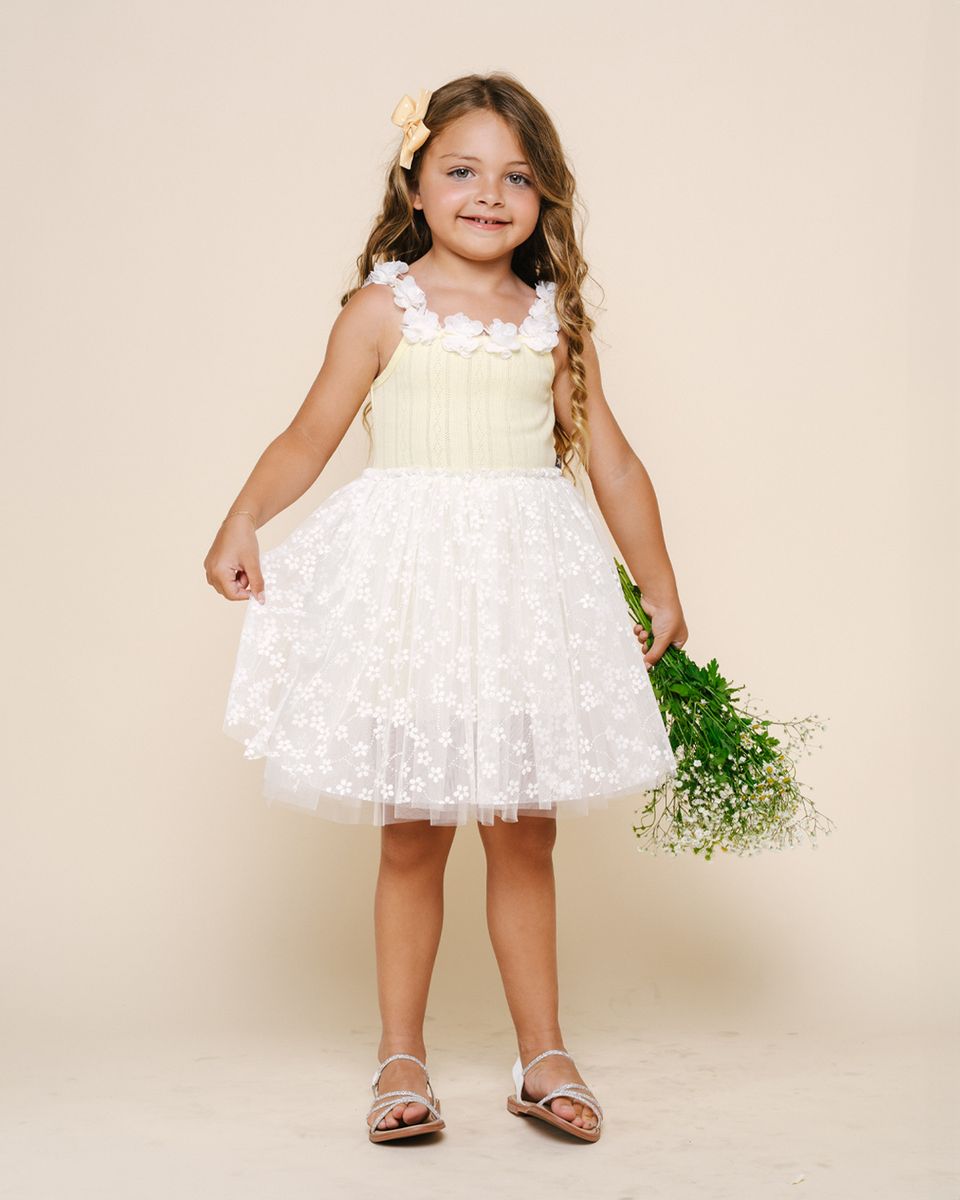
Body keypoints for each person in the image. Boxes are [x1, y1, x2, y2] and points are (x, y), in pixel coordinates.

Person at [204, 72, 688, 1145]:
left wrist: (656, 576)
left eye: (515, 176)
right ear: (415, 185)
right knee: (413, 833)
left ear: (544, 198)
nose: (487, 193)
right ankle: (401, 1054)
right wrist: (245, 518)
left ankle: (541, 1051)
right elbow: (309, 435)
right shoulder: (383, 310)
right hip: (413, 600)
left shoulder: (555, 320)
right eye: (461, 171)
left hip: (524, 596)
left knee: (525, 834)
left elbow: (608, 459)